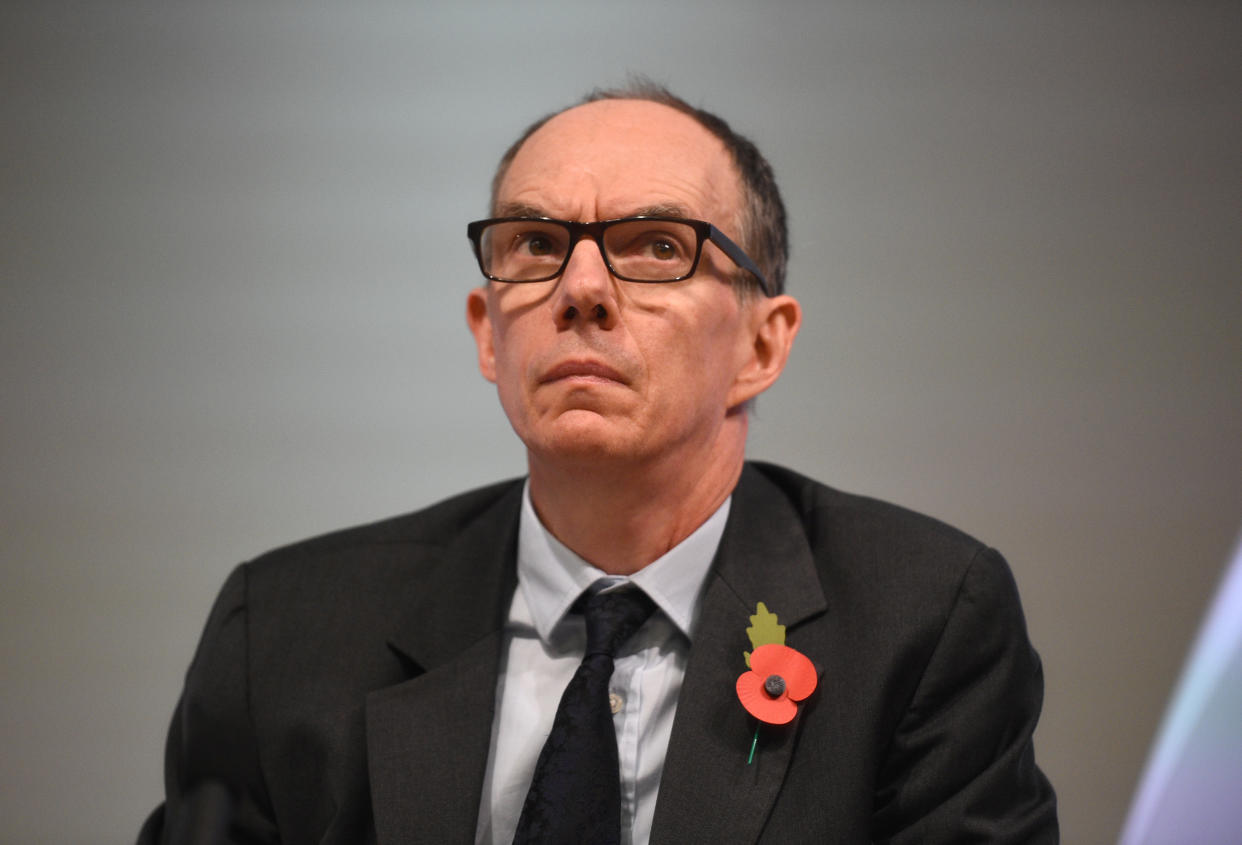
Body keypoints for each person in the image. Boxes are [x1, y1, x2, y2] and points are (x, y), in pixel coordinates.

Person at [141, 82, 1057, 844]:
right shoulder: (287, 631)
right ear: (488, 332)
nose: (581, 291)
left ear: (762, 346)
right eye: (536, 246)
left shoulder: (924, 622)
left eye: (657, 247)